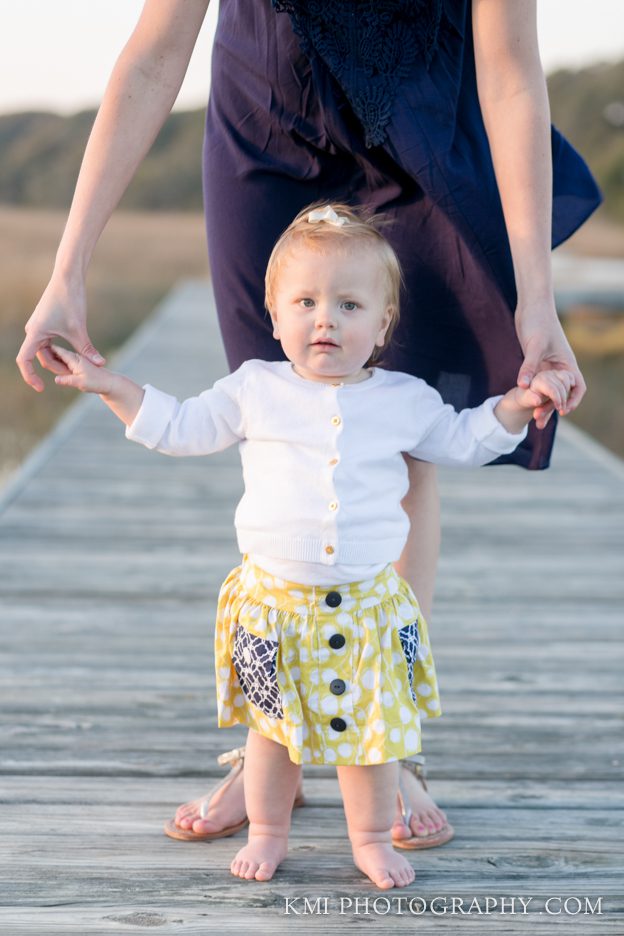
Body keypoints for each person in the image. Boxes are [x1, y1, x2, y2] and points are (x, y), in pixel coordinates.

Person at [16, 0, 600, 846]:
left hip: (423, 122)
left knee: (400, 437)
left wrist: (537, 298)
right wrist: (67, 272)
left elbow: (510, 69)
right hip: (264, 123)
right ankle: (271, 745)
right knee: (278, 409)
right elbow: (153, 53)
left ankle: (388, 739)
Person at [49, 203, 575, 887]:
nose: (324, 318)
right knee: (270, 735)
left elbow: (464, 439)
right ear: (273, 317)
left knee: (370, 740)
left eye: (349, 304)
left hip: (366, 609)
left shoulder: (403, 398)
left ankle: (367, 840)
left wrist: (514, 407)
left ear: (383, 326)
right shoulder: (254, 389)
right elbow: (179, 427)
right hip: (273, 608)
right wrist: (112, 387)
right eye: (305, 301)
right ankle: (269, 830)